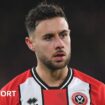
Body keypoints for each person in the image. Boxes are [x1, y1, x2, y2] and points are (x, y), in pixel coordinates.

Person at [0, 3, 105, 105]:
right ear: (30, 43)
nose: (59, 44)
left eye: (63, 35)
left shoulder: (100, 93)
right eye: (48, 38)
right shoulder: (8, 96)